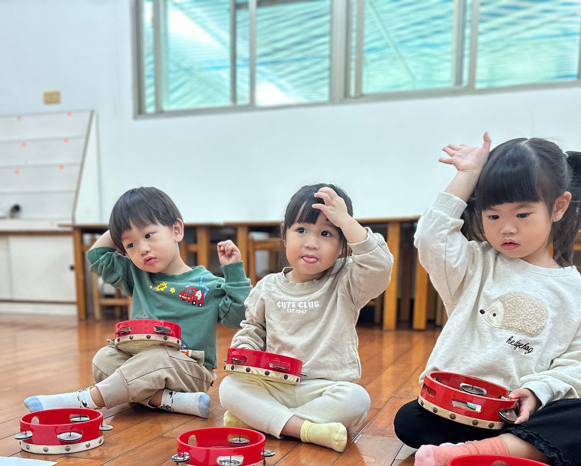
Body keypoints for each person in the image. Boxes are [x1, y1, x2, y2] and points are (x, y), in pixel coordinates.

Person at [394, 134, 581, 466]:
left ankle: (462, 455)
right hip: (462, 410)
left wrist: (538, 392)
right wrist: (467, 175)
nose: (506, 228)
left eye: (522, 214)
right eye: (492, 215)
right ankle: (546, 450)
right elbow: (432, 238)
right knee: (409, 420)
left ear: (558, 207)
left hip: (525, 414)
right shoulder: (471, 266)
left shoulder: (579, 297)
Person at [24, 187, 251, 417]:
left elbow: (239, 316)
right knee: (104, 358)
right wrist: (122, 225)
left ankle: (84, 400)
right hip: (142, 363)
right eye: (130, 245)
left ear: (176, 230)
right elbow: (97, 257)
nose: (142, 249)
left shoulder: (208, 284)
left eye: (149, 235)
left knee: (158, 357)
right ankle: (168, 401)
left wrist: (233, 271)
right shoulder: (137, 275)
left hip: (190, 371)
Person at [218, 184, 393, 452]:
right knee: (229, 387)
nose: (311, 243)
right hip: (274, 383)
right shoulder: (267, 287)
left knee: (357, 399)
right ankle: (307, 429)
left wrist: (346, 221)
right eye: (301, 230)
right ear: (284, 235)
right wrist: (244, 351)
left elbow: (379, 266)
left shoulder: (347, 280)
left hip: (323, 388)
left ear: (342, 245)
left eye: (326, 233)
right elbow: (253, 329)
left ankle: (265, 420)